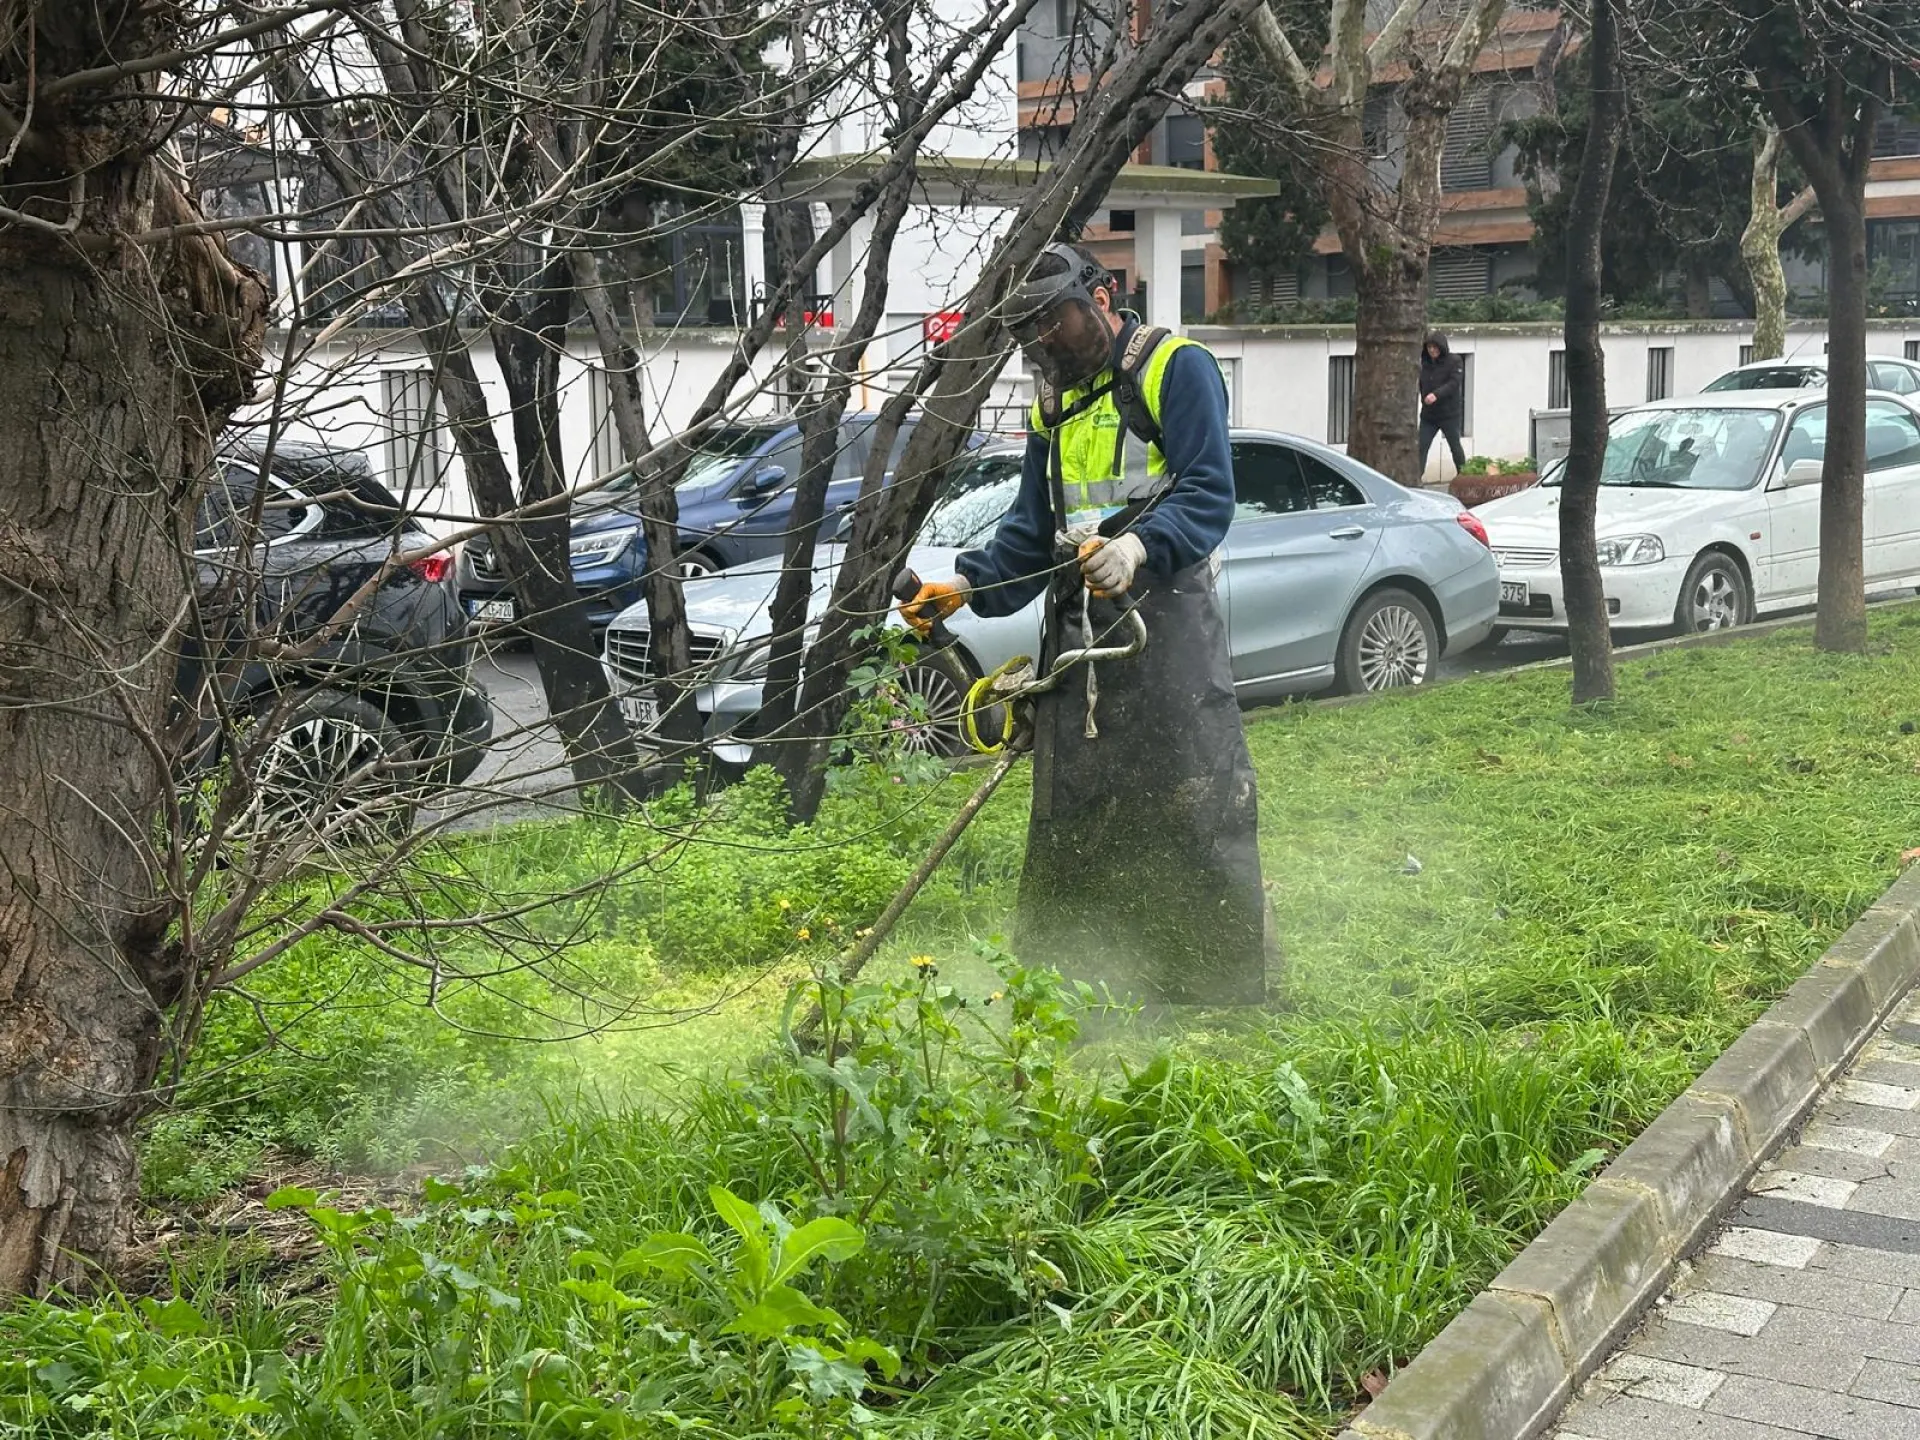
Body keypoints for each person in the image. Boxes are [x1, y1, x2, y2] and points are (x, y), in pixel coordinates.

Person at [900, 243, 1270, 1007]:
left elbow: (1209, 491)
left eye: (1055, 321)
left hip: (1165, 631)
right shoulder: (1054, 404)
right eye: (1029, 331)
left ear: (1100, 298)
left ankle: (1216, 994)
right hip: (1078, 639)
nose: (1046, 342)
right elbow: (1032, 536)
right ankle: (1075, 987)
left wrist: (1140, 545)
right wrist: (967, 585)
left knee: (1192, 809)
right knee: (1078, 817)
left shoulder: (1176, 368)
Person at [1419, 333, 1467, 480]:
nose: (1432, 350)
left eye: (1434, 347)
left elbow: (1454, 383)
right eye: (1429, 347)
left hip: (1449, 414)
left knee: (1455, 446)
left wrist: (1436, 395)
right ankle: (1415, 479)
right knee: (1421, 447)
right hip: (1429, 416)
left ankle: (1464, 477)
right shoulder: (1424, 363)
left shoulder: (1454, 361)